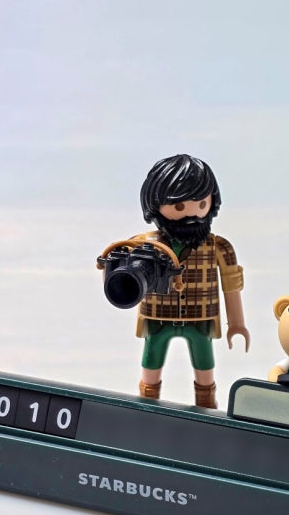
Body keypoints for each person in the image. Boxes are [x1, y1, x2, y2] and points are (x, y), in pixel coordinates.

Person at [100, 154, 250, 408]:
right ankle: (147, 406)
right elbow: (121, 270)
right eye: (179, 206)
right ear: (155, 205)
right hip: (158, 315)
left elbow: (231, 285)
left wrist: (237, 324)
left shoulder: (218, 246)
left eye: (201, 203)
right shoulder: (142, 245)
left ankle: (206, 407)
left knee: (204, 369)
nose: (192, 213)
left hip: (199, 317)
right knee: (151, 365)